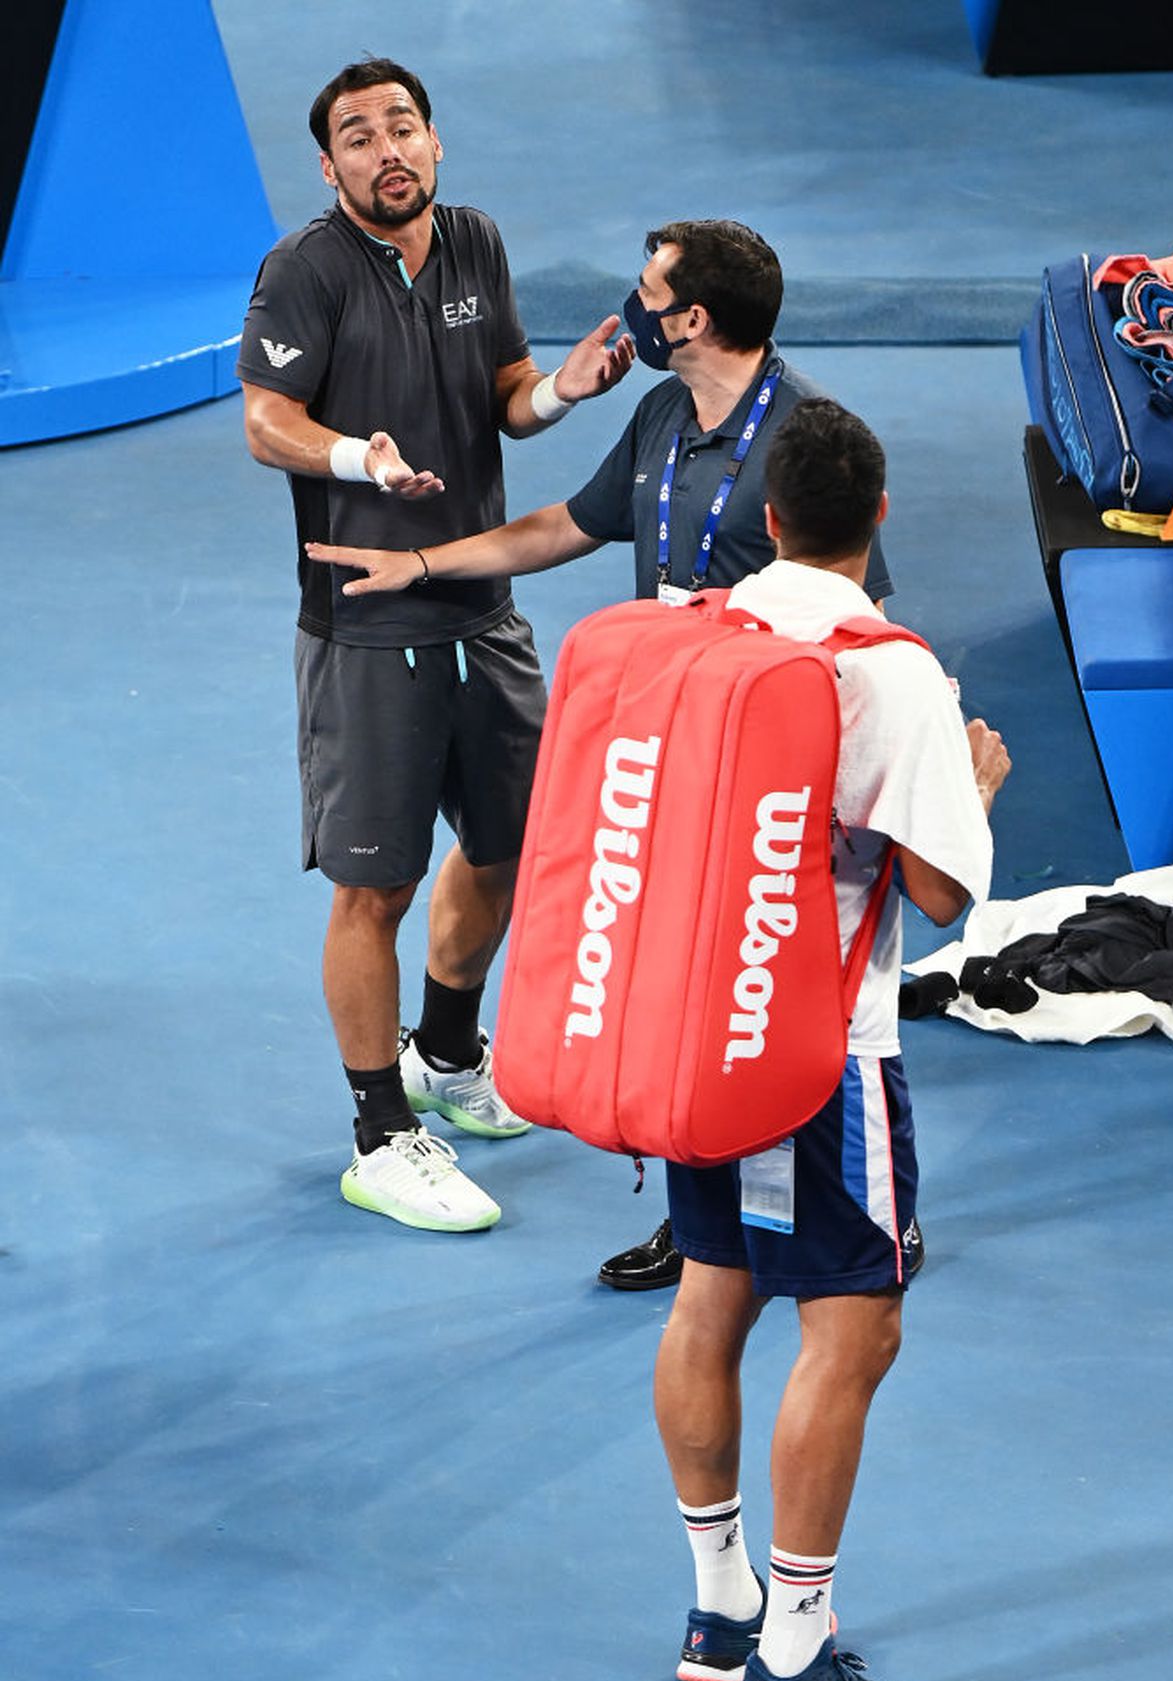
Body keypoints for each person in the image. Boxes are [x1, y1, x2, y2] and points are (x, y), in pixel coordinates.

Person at [306, 216, 893, 1281]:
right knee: (679, 988)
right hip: (668, 750)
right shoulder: (667, 411)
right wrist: (427, 563)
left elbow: (855, 614)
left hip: (764, 780)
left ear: (693, 320)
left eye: (650, 294)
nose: (635, 311)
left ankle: (829, 1211)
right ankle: (707, 1217)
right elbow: (563, 527)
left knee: (767, 1001)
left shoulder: (803, 439)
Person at [651, 397, 1009, 1681]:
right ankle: (795, 1658)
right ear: (882, 517)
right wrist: (975, 782)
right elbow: (935, 884)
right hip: (822, 1049)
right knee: (853, 1326)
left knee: (714, 1288)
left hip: (700, 1029)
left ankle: (720, 1607)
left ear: (774, 520)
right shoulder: (898, 671)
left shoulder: (706, 630)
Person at [236, 58, 633, 1234]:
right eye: (357, 137)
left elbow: (504, 386)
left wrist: (558, 392)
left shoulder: (474, 241)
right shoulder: (304, 272)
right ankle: (378, 1133)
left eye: (401, 126)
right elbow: (266, 422)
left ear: (436, 142)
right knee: (377, 886)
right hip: (367, 626)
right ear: (330, 167)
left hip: (484, 606)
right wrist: (365, 457)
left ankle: (446, 1051)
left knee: (509, 846)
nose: (384, 148)